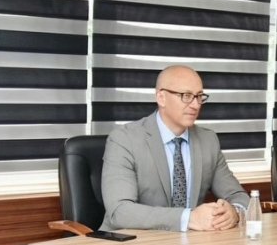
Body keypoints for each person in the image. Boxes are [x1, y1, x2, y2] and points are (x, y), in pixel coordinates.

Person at [100, 65, 250, 232]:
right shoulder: (124, 139)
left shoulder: (208, 140)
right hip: (130, 242)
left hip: (188, 243)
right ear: (161, 97)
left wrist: (234, 212)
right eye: (186, 96)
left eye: (199, 96)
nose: (195, 105)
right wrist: (188, 218)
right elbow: (120, 212)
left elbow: (239, 197)